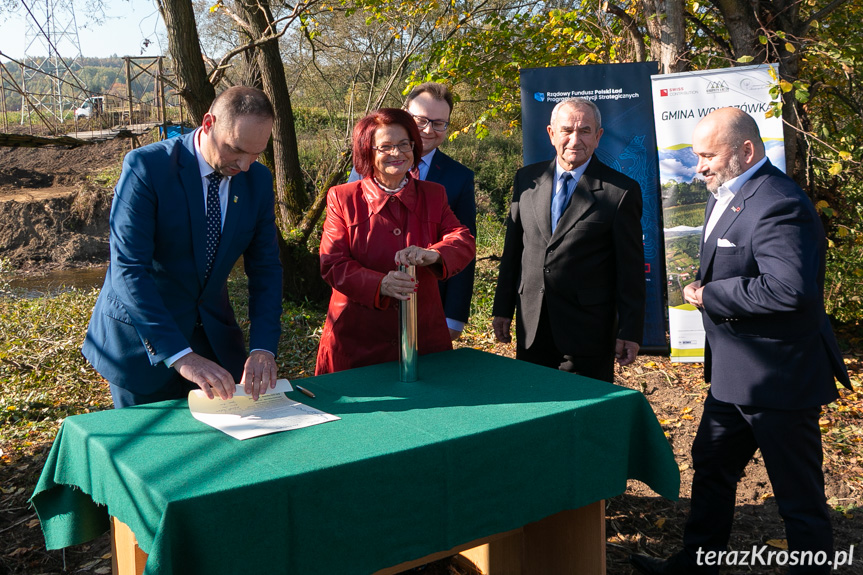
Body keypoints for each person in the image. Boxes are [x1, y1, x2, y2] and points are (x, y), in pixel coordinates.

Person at [630, 107, 852, 575]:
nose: (699, 166)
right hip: (734, 377)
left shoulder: (779, 201)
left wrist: (710, 293)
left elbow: (789, 289)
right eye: (695, 156)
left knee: (798, 496)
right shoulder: (726, 191)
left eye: (707, 155)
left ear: (746, 150)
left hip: (779, 378)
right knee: (711, 470)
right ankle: (695, 565)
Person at [82, 86, 283, 408]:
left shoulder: (257, 181)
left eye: (256, 154)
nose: (244, 165)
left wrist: (263, 348)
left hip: (216, 343)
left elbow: (266, 269)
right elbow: (129, 269)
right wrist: (180, 355)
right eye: (235, 150)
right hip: (144, 347)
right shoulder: (147, 168)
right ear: (207, 124)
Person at [492, 98, 644, 383]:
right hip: (532, 327)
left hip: (587, 333)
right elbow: (513, 251)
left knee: (584, 415)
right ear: (551, 134)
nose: (575, 140)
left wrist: (630, 332)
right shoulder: (526, 180)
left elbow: (630, 270)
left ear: (598, 137)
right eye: (567, 131)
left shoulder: (620, 192)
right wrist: (502, 310)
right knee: (534, 409)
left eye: (585, 131)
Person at [315, 108, 475, 375]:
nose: (397, 153)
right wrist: (381, 284)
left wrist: (433, 254)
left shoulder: (434, 194)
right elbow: (332, 263)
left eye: (404, 144)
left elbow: (463, 239)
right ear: (368, 151)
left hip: (423, 340)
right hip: (356, 341)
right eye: (385, 147)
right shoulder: (342, 198)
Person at [349, 83, 476, 340]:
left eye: (439, 123)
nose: (429, 130)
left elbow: (463, 245)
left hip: (428, 309)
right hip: (368, 307)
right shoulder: (363, 168)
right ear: (404, 114)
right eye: (421, 120)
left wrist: (454, 316)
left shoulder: (458, 177)